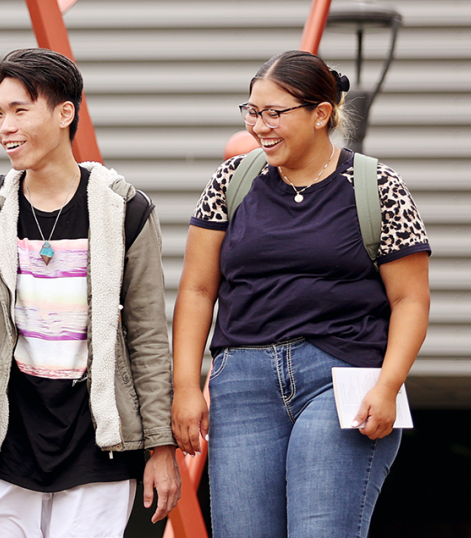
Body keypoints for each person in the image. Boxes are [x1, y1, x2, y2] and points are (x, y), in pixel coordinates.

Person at [171, 50, 431, 537]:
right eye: (251, 111)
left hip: (341, 378)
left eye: (274, 113)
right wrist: (186, 384)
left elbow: (410, 301)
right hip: (242, 383)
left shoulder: (376, 186)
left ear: (321, 114)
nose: (259, 125)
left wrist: (389, 384)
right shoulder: (232, 181)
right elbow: (197, 289)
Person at [0, 48, 180, 538]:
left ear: (65, 113)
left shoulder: (125, 210)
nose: (6, 127)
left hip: (96, 435)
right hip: (7, 432)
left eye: (21, 111)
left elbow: (148, 335)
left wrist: (160, 446)